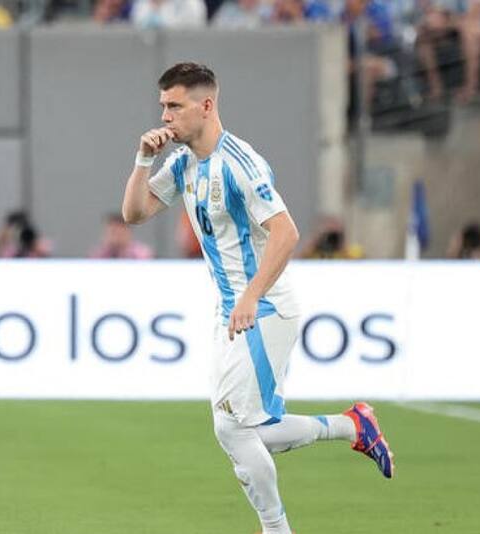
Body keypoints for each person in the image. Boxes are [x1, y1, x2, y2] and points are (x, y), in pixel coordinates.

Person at [120, 62, 394, 534]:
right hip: (234, 310)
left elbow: (286, 232)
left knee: (232, 428)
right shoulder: (183, 162)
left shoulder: (240, 163)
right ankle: (354, 425)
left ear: (206, 106)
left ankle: (276, 528)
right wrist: (143, 160)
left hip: (263, 308)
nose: (165, 116)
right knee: (250, 428)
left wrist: (250, 296)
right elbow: (135, 213)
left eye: (175, 106)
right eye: (163, 106)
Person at [89, 213, 154, 259]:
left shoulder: (142, 255)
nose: (115, 237)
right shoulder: (99, 255)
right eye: (112, 232)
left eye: (119, 233)